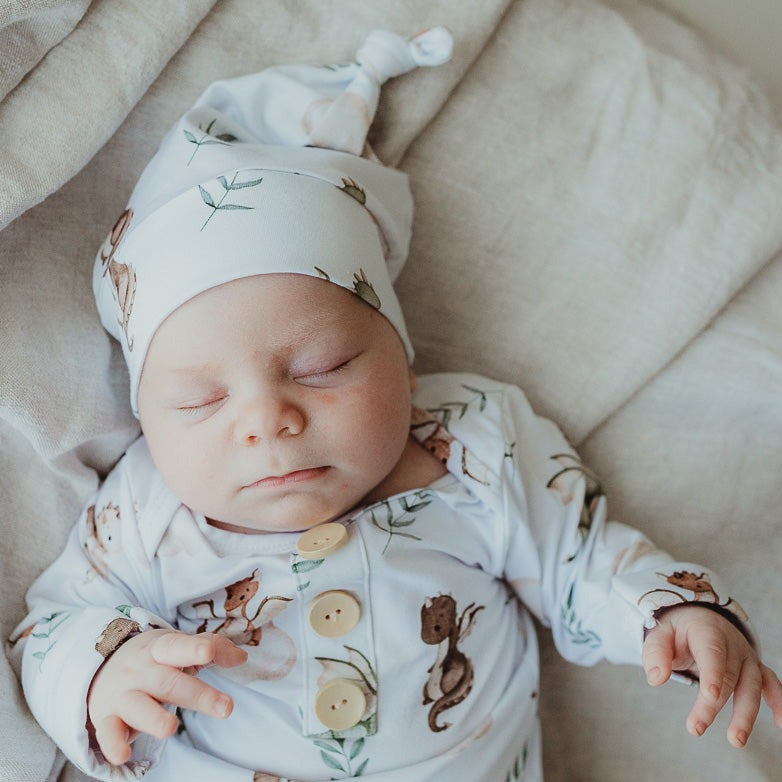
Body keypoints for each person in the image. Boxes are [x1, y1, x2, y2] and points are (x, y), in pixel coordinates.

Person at [10, 27, 782, 782]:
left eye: (321, 366)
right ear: (148, 420)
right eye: (198, 399)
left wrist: (673, 615)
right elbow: (51, 626)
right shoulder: (144, 512)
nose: (265, 420)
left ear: (401, 358)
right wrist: (104, 668)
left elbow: (578, 562)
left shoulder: (476, 444)